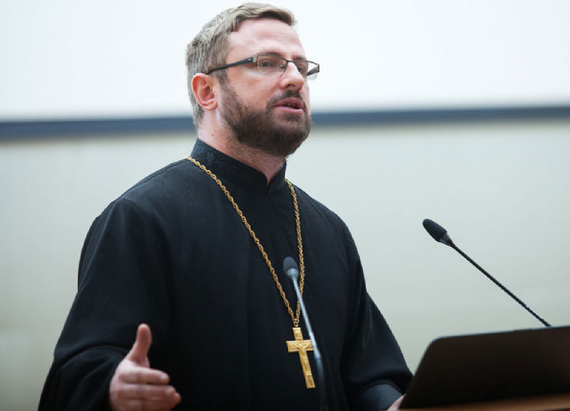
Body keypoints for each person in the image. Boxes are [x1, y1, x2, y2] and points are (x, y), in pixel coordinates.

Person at [38, 3, 412, 410]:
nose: (294, 79)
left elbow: (369, 373)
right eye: (267, 63)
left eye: (302, 67)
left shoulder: (327, 229)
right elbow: (78, 376)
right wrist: (113, 387)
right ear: (207, 91)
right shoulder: (142, 218)